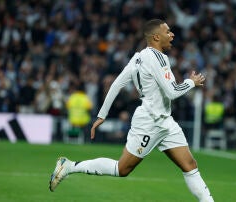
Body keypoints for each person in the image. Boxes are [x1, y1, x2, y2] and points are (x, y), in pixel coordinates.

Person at [49, 19, 214, 202]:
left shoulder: (138, 57)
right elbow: (172, 92)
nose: (172, 34)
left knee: (190, 165)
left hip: (165, 121)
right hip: (150, 122)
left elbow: (116, 84)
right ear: (156, 37)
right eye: (168, 32)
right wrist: (192, 82)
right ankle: (69, 166)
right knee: (122, 169)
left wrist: (102, 115)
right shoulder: (158, 58)